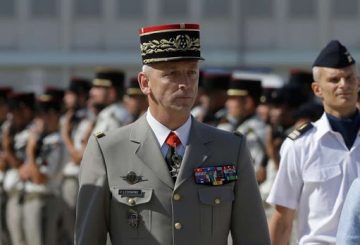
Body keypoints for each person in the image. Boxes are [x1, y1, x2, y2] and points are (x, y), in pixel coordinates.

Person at [75, 23, 270, 245]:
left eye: (191, 73)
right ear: (145, 83)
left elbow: (253, 236)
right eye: (172, 74)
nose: (185, 84)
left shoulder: (229, 148)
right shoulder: (108, 151)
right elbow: (88, 238)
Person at [267, 40, 360, 245]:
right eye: (334, 80)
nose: (343, 85)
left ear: (358, 82)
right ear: (317, 89)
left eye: (349, 78)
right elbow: (283, 219)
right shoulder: (300, 145)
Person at [90, 69, 132, 133]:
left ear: (111, 93)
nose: (92, 92)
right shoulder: (112, 113)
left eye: (98, 88)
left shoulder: (112, 117)